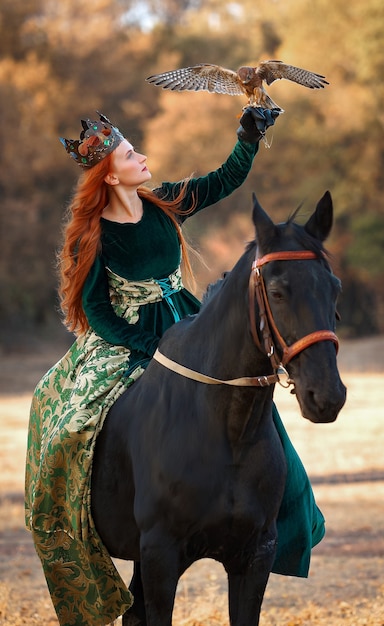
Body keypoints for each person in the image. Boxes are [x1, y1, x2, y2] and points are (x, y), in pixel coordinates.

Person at [25, 109, 324, 626]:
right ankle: (78, 527)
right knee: (65, 426)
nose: (141, 157)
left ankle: (284, 511)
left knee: (252, 406)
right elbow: (97, 311)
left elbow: (223, 180)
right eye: (129, 154)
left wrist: (248, 138)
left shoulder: (163, 203)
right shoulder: (91, 235)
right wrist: (147, 346)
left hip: (186, 322)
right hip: (126, 340)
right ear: (110, 175)